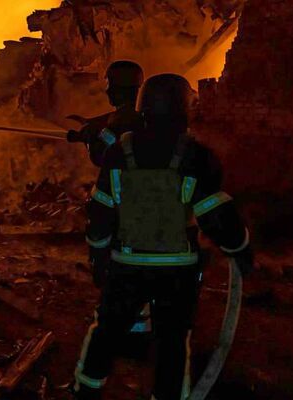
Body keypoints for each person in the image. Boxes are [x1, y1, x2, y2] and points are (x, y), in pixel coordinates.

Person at [73, 74, 254, 400]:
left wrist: (98, 257)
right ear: (184, 110)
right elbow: (217, 215)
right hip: (177, 271)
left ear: (143, 109)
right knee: (172, 342)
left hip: (126, 265)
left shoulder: (119, 153)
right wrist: (240, 248)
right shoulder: (196, 156)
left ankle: (85, 392)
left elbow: (100, 214)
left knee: (107, 332)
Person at [67, 60, 145, 167]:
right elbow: (113, 117)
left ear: (118, 88)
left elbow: (102, 154)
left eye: (109, 84)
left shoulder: (121, 123)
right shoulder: (140, 115)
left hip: (120, 176)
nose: (107, 90)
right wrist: (89, 122)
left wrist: (91, 137)